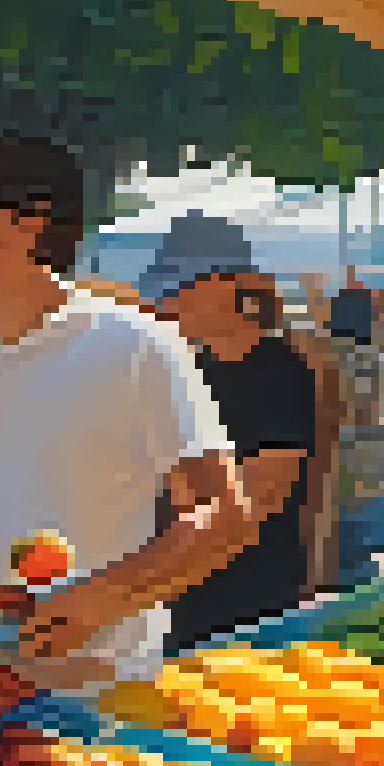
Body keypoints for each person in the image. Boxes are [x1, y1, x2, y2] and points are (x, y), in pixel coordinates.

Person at [0, 134, 253, 710]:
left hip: (87, 685)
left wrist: (107, 597)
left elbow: (224, 517)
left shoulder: (138, 346)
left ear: (28, 224)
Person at [148, 266, 321, 654]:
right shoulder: (192, 370)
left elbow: (268, 489)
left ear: (241, 301)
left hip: (247, 579)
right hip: (185, 574)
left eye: (191, 285)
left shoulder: (278, 371)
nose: (174, 299)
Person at [324, 285, 384, 586]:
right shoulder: (378, 359)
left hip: (334, 453)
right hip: (372, 451)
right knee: (364, 542)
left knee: (337, 533)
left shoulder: (320, 356)